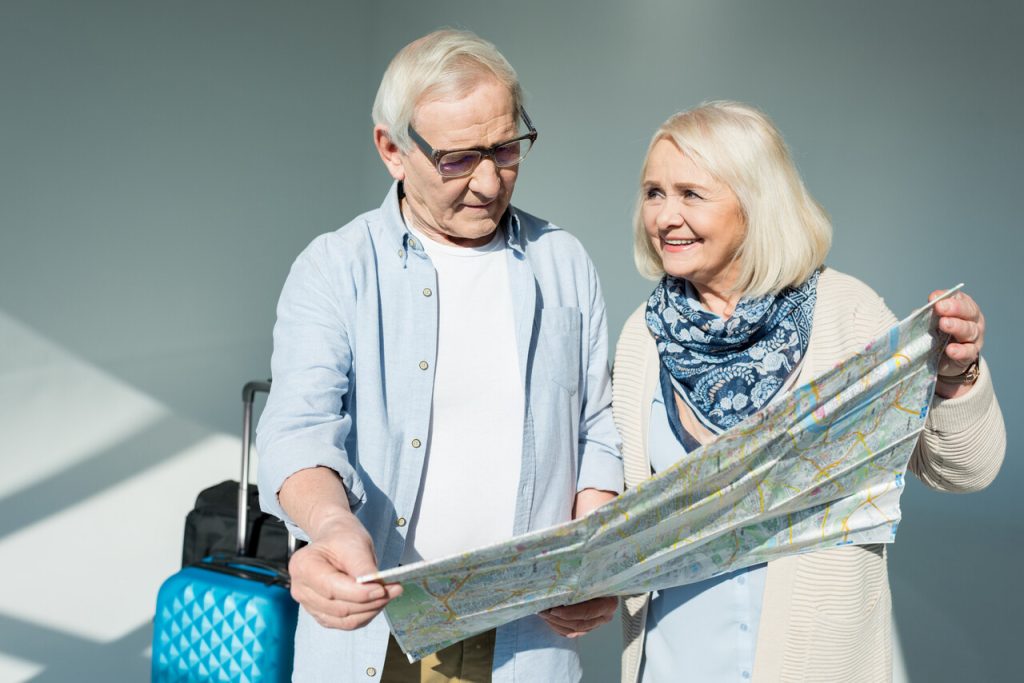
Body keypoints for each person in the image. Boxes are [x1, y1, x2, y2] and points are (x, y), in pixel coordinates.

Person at [255, 29, 622, 682]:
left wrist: (591, 559)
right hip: (380, 635)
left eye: (505, 149)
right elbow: (298, 431)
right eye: (458, 159)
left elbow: (597, 430)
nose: (488, 181)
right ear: (392, 150)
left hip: (525, 635)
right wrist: (332, 524)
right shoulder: (336, 268)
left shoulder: (562, 262)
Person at [613, 101, 1005, 682]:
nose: (666, 217)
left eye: (691, 194)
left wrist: (956, 377)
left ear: (756, 201)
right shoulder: (641, 338)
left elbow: (963, 470)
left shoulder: (847, 316)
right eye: (654, 193)